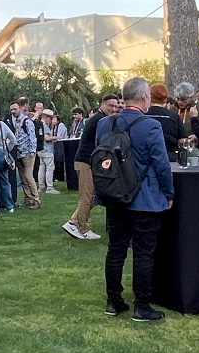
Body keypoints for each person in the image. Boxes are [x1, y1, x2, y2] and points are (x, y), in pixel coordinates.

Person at [97, 77, 174, 322]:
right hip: (145, 198)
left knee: (116, 250)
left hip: (114, 195)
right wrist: (169, 193)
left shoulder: (105, 124)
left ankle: (113, 300)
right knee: (143, 254)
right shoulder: (150, 126)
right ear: (144, 98)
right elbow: (162, 164)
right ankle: (142, 304)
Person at [63, 94, 116, 239]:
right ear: (103, 104)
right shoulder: (99, 120)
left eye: (115, 106)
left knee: (93, 195)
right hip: (86, 161)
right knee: (87, 196)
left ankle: (73, 222)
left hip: (88, 161)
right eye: (110, 105)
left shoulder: (98, 118)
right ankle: (83, 229)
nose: (113, 109)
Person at [8, 100, 41, 209]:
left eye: (15, 109)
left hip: (27, 153)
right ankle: (28, 199)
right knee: (23, 178)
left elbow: (32, 137)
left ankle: (36, 200)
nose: (13, 111)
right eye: (11, 109)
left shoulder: (26, 121)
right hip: (18, 153)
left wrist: (32, 152)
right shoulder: (16, 121)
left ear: (20, 109)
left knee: (28, 176)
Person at [146, 83, 187, 150]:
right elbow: (182, 140)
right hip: (170, 155)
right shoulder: (174, 116)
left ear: (150, 97)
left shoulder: (143, 115)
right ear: (165, 99)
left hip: (147, 154)